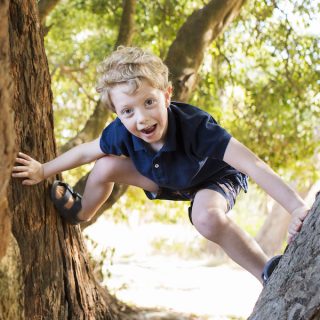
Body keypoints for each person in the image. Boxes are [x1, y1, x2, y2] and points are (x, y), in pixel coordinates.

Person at [12, 46, 309, 284]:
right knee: (103, 166)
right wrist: (42, 170)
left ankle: (265, 272)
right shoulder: (120, 131)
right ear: (116, 113)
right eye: (127, 111)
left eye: (149, 103)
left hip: (212, 179)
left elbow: (254, 165)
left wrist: (295, 207)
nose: (141, 118)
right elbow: (84, 153)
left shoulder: (198, 128)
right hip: (161, 177)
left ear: (166, 95)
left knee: (206, 216)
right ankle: (82, 211)